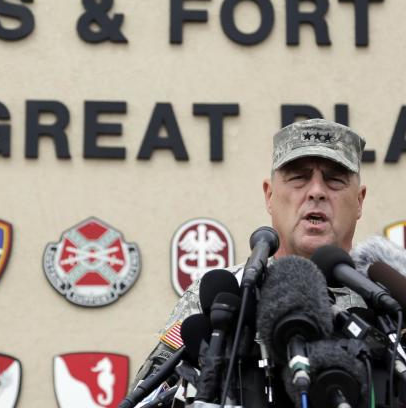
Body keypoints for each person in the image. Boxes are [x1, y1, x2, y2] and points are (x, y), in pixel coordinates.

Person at [153, 118, 367, 340]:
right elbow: (163, 374)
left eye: (334, 179)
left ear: (359, 201)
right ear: (269, 196)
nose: (316, 191)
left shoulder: (386, 304)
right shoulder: (223, 297)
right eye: (298, 178)